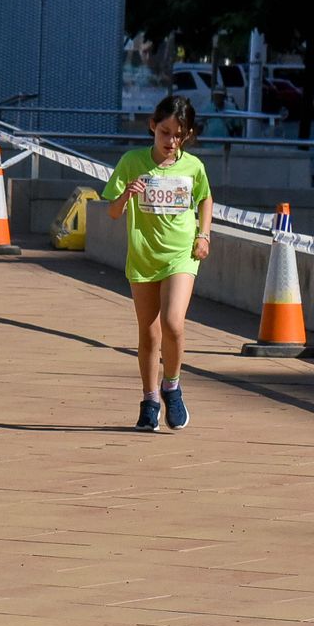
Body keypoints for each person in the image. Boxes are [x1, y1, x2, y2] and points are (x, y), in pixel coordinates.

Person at [102, 95, 212, 433]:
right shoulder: (132, 161)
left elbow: (205, 197)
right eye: (165, 133)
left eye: (179, 136)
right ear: (153, 126)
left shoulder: (193, 167)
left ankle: (172, 386)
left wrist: (204, 235)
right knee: (149, 333)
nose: (171, 142)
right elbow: (112, 211)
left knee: (173, 324)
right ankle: (150, 401)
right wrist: (126, 195)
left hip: (181, 255)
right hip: (143, 256)